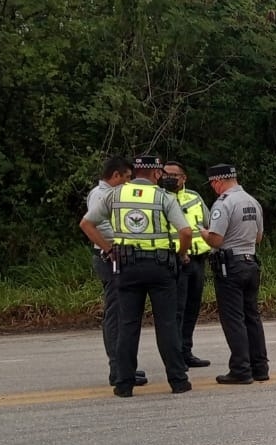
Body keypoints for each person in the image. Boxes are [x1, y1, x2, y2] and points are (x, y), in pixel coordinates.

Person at [80, 154, 194, 397]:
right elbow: (185, 232)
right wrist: (181, 255)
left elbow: (86, 224)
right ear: (156, 174)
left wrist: (109, 250)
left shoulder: (114, 195)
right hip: (160, 268)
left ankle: (124, 384)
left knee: (127, 325)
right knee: (166, 325)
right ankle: (178, 380)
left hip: (127, 268)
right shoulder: (163, 196)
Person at [201, 163, 268, 385]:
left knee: (233, 319)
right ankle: (260, 367)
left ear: (217, 181)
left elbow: (216, 239)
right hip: (250, 262)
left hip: (229, 266)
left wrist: (203, 233)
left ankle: (241, 368)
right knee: (252, 317)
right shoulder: (252, 201)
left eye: (212, 184)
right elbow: (258, 237)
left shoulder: (224, 203)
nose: (213, 188)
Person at [84, 155, 146, 389]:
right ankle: (117, 368)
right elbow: (96, 226)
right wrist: (112, 249)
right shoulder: (101, 195)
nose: (129, 182)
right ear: (116, 175)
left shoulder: (112, 195)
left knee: (121, 311)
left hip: (116, 256)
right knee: (115, 312)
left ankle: (123, 365)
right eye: (127, 177)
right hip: (109, 258)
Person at [162, 160, 213, 368]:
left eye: (174, 175)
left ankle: (186, 351)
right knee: (177, 310)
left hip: (197, 260)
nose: (170, 177)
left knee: (192, 308)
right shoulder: (160, 198)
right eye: (166, 173)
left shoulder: (194, 197)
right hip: (173, 260)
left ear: (184, 178)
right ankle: (175, 358)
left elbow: (209, 223)